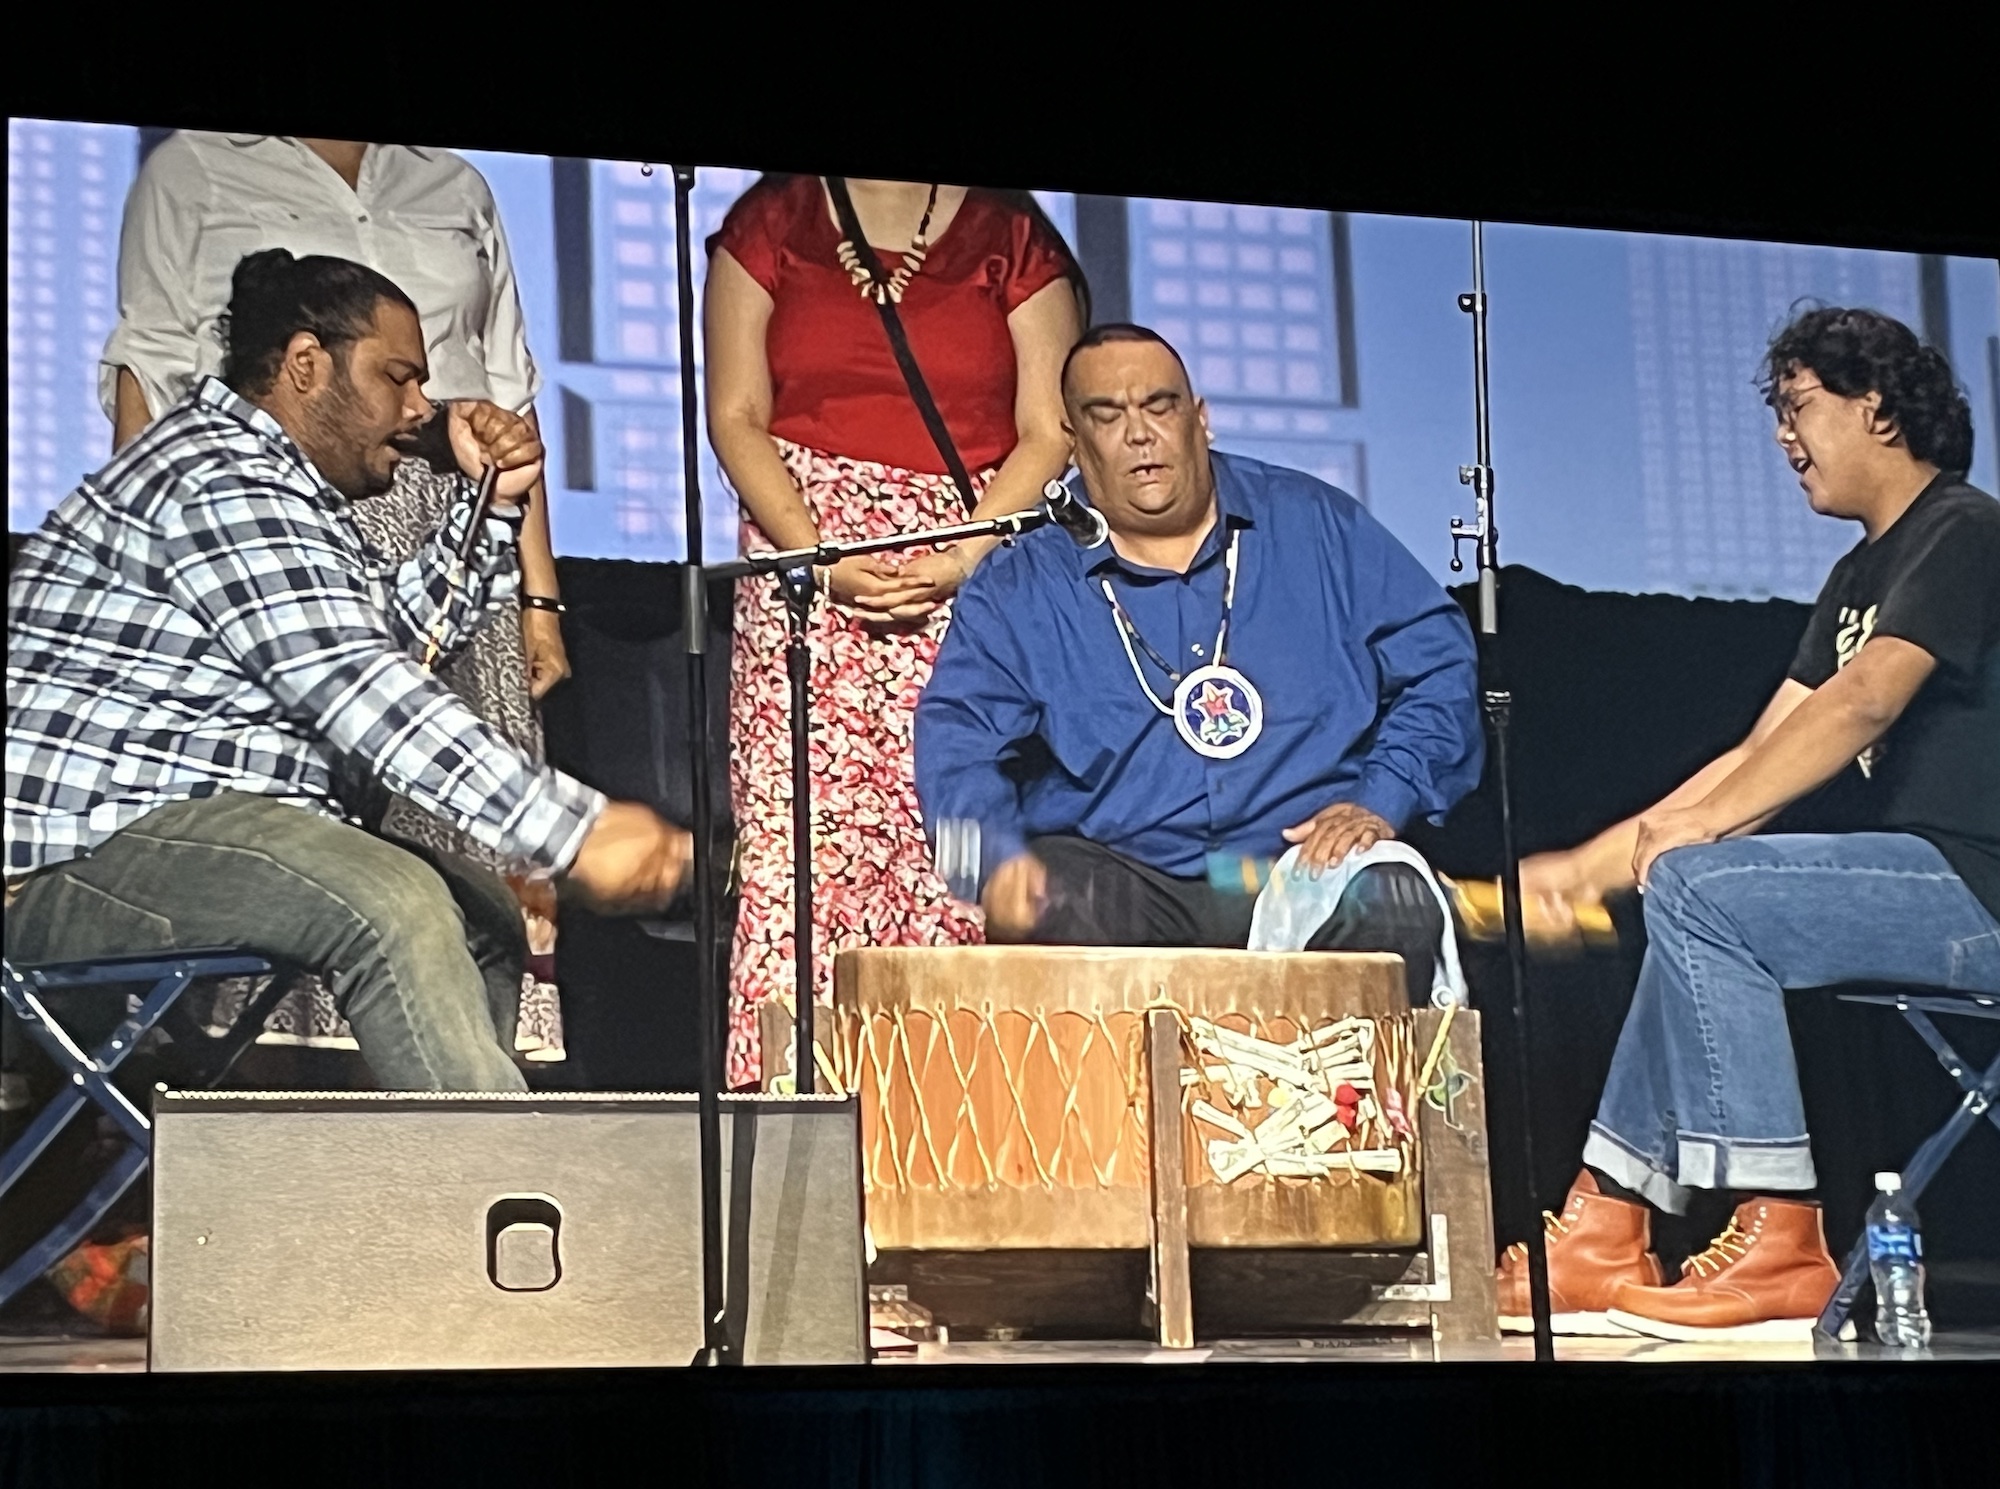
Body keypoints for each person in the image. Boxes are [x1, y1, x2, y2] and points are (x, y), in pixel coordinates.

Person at [7, 250, 691, 1097]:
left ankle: (431, 1187)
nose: (420, 410)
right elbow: (359, 686)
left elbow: (403, 642)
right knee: (389, 898)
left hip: (173, 844)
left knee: (479, 911)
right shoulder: (216, 479)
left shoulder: (289, 496)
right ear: (305, 364)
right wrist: (575, 834)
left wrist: (494, 503)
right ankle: (498, 1195)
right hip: (65, 879)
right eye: (398, 378)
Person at [1501, 306, 2000, 1341]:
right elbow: (1757, 752)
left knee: (1698, 886)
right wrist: (1594, 865)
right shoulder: (1857, 572)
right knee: (1688, 887)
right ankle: (1606, 1226)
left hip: (1977, 890)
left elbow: (1861, 701)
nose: (1782, 435)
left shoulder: (1964, 528)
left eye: (1798, 407)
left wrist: (1684, 847)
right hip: (1925, 883)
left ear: (1875, 409)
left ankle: (1779, 1237)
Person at [100, 132, 573, 1059]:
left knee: (459, 855)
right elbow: (146, 370)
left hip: (455, 504)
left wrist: (537, 595)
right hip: (276, 499)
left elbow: (509, 392)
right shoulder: (194, 165)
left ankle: (451, 1084)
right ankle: (271, 1075)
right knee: (306, 817)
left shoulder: (452, 178)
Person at [912, 325, 1483, 1004]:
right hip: (1124, 879)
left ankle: (1332, 1110)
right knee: (1055, 899)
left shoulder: (1315, 524)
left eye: (1159, 406)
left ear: (1199, 418)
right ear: (1072, 439)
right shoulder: (1022, 581)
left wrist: (1381, 799)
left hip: (1298, 866)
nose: (1140, 433)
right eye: (1108, 415)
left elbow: (1439, 664)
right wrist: (991, 865)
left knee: (1392, 897)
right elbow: (955, 740)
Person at [704, 175, 1084, 1085]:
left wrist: (959, 556)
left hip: (967, 567)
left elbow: (1048, 430)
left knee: (951, 841)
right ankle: (797, 1098)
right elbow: (735, 415)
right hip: (806, 570)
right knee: (805, 848)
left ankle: (954, 1105)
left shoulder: (1013, 235)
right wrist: (817, 558)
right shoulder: (774, 219)